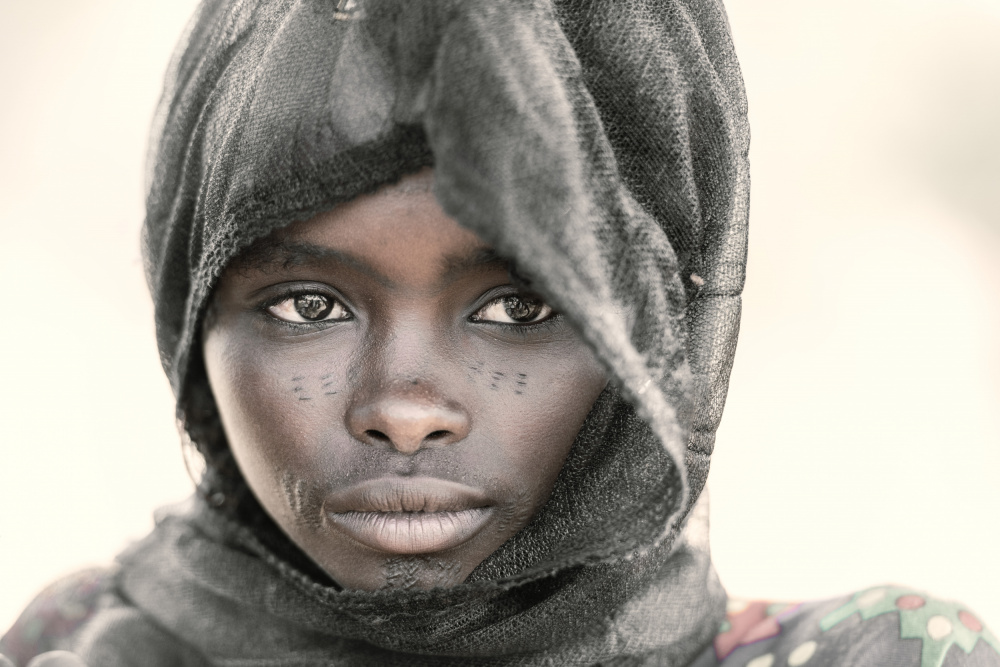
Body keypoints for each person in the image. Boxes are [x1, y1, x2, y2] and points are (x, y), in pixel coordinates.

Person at [2, 0, 997, 665]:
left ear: (658, 330)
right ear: (190, 322)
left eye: (521, 308)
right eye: (310, 305)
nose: (401, 409)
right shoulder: (79, 638)